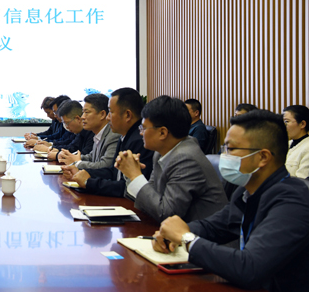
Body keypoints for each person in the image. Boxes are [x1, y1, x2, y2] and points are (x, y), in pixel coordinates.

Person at [152, 110, 309, 292]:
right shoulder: (246, 191)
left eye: (231, 149)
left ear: (263, 157)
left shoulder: (293, 202)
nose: (224, 156)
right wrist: (172, 234)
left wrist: (186, 238)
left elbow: (250, 267)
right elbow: (213, 227)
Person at [116, 96, 227, 223]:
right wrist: (130, 174)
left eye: (144, 128)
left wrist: (135, 176)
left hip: (201, 233)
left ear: (163, 133)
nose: (141, 133)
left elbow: (166, 213)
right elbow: (151, 200)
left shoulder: (186, 159)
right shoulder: (161, 152)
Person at [62, 87, 154, 197]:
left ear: (127, 115)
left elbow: (128, 188)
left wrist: (88, 182)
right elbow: (113, 172)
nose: (108, 117)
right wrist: (80, 171)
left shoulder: (139, 140)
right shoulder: (125, 136)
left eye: (111, 112)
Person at [58, 93, 120, 170]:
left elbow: (105, 166)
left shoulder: (113, 135)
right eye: (83, 112)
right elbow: (91, 157)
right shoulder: (98, 133)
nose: (82, 117)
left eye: (86, 112)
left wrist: (77, 163)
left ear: (102, 114)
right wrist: (71, 157)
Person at [282, 105, 309, 178]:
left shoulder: (307, 148)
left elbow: (302, 180)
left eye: (287, 121)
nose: (283, 126)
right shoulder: (285, 144)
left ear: (302, 124)